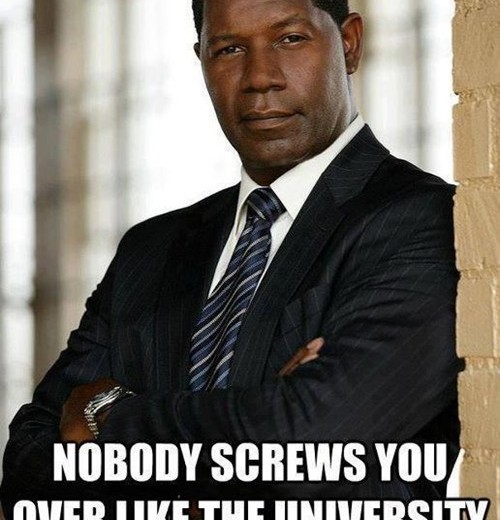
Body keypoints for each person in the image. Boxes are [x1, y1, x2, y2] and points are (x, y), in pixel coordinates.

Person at [1, 0, 461, 513]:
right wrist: (257, 420)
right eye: (229, 49)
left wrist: (109, 415)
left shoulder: (423, 220)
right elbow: (27, 469)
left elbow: (306, 446)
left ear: (349, 44)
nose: (260, 77)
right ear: (201, 60)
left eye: (290, 39)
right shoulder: (149, 250)